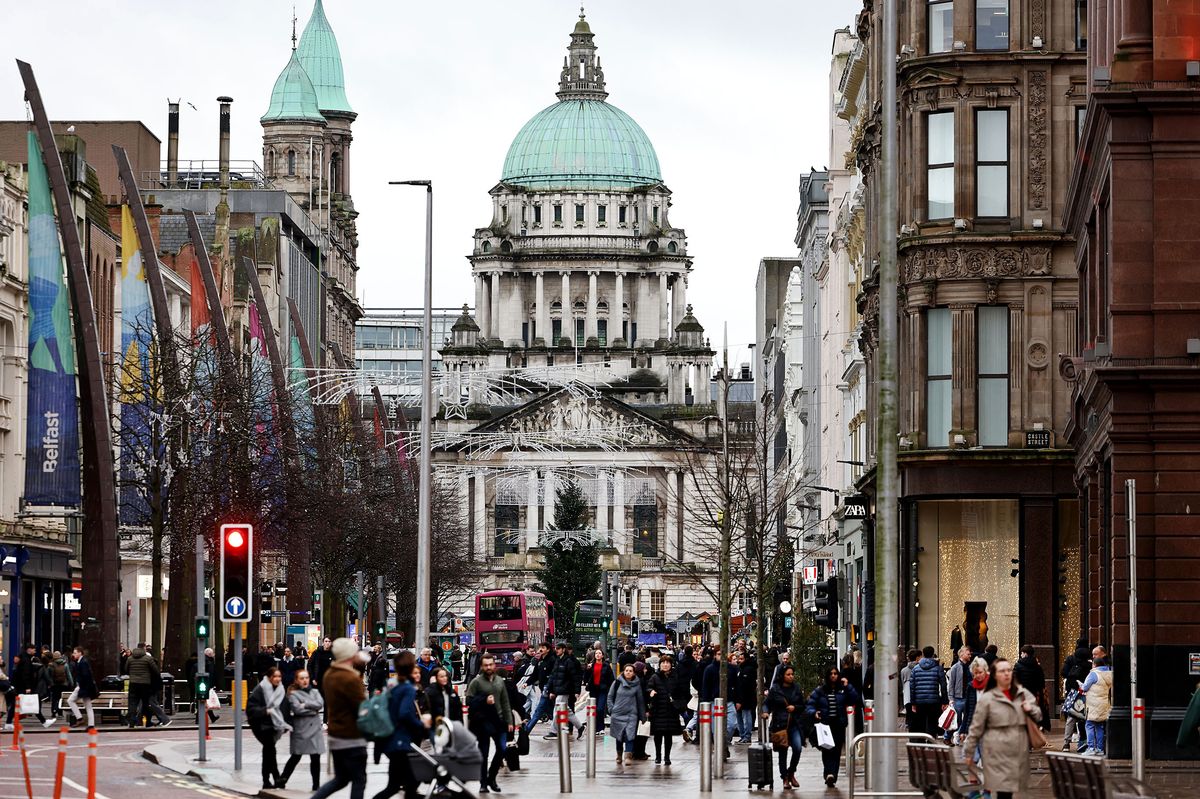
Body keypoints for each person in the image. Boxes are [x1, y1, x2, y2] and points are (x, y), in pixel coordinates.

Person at [961, 657, 1041, 799]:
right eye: (1002, 671)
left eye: (1009, 670)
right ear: (994, 675)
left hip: (1018, 753)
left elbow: (1039, 715)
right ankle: (983, 793)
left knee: (1012, 792)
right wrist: (968, 753)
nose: (1006, 674)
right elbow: (976, 728)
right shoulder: (988, 698)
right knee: (1003, 792)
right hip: (996, 753)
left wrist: (1030, 710)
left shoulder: (1021, 693)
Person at [311, 638, 369, 799]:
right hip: (352, 736)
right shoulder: (350, 679)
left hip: (336, 735)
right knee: (359, 779)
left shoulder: (330, 674)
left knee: (341, 779)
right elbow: (362, 708)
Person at [372, 651, 426, 799]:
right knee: (409, 781)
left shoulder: (394, 686)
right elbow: (404, 713)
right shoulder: (408, 688)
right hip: (400, 742)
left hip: (391, 741)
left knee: (401, 785)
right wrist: (420, 725)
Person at [807, 666, 861, 787]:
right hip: (825, 725)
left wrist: (848, 686)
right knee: (827, 749)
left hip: (839, 724)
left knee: (836, 751)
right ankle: (828, 773)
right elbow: (810, 705)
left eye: (835, 673)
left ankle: (833, 775)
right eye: (831, 673)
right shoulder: (820, 690)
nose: (833, 676)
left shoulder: (843, 689)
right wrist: (814, 712)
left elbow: (855, 698)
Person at [466, 653, 511, 794]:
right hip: (483, 722)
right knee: (483, 754)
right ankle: (483, 783)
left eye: (491, 664)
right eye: (485, 665)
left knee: (502, 749)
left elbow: (505, 702)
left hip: (498, 721)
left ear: (494, 665)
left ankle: (492, 778)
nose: (488, 667)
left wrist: (509, 721)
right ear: (482, 666)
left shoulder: (499, 681)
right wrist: (484, 700)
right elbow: (469, 702)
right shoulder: (476, 682)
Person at [278, 670, 325, 791]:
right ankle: (283, 779)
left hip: (314, 729)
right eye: (302, 678)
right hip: (301, 729)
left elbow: (320, 704)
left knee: (315, 758)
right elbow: (297, 709)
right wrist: (312, 709)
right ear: (296, 680)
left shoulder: (315, 691)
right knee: (296, 756)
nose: (305, 680)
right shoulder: (293, 694)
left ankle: (316, 785)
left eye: (307, 678)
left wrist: (305, 704)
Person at [246, 667, 291, 788]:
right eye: (275, 676)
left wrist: (286, 723)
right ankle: (275, 777)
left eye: (279, 676)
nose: (277, 679)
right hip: (262, 725)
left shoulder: (281, 689)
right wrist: (265, 711)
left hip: (275, 725)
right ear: (269, 677)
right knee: (270, 751)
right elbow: (250, 708)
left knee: (268, 752)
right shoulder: (260, 689)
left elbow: (285, 707)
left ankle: (267, 780)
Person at [765, 665, 805, 789]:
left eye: (792, 674)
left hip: (794, 724)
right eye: (788, 674)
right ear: (782, 675)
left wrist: (795, 708)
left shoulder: (796, 688)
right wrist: (765, 711)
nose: (791, 676)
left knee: (797, 748)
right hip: (780, 725)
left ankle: (791, 771)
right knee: (783, 752)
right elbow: (767, 703)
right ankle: (785, 778)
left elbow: (802, 705)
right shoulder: (775, 689)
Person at [607, 663, 646, 766]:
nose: (628, 672)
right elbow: (610, 697)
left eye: (630, 671)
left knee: (630, 735)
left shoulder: (637, 685)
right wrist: (611, 709)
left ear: (633, 673)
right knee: (619, 736)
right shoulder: (617, 683)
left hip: (631, 715)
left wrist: (643, 716)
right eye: (626, 670)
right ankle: (619, 755)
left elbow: (640, 701)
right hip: (617, 714)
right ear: (623, 672)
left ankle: (628, 756)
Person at [647, 655, 682, 765]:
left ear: (671, 665)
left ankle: (667, 757)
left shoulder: (675, 677)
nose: (665, 665)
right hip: (658, 709)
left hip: (671, 710)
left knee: (668, 735)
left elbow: (680, 691)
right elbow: (648, 687)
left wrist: (678, 703)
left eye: (667, 663)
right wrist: (651, 691)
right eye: (663, 663)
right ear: (660, 664)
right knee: (658, 735)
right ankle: (658, 756)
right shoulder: (655, 677)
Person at [1079, 646, 1113, 757]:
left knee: (1089, 725)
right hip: (1104, 704)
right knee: (1099, 727)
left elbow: (1084, 687)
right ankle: (1099, 749)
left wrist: (1080, 684)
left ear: (1094, 665)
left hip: (1093, 705)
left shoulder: (1093, 674)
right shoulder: (1108, 673)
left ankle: (1091, 748)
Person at [127, 643, 171, 728]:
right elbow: (156, 671)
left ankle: (132, 722)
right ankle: (147, 722)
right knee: (146, 703)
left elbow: (126, 669)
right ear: (144, 648)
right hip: (145, 684)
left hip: (133, 683)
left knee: (133, 704)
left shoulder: (130, 659)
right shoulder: (148, 659)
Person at [908, 646, 947, 738]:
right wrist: (945, 701)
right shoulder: (938, 668)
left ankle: (921, 742)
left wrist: (913, 702)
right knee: (932, 722)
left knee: (920, 722)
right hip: (933, 700)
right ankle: (931, 742)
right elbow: (943, 686)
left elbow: (912, 687)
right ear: (933, 654)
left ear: (923, 654)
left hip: (919, 701)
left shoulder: (915, 669)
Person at [1060, 638, 1091, 752]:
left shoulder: (1071, 658)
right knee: (1087, 717)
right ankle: (1085, 741)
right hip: (1088, 691)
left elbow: (1063, 673)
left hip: (1073, 691)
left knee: (1071, 717)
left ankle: (1066, 744)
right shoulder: (1090, 658)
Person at [957, 657, 990, 760]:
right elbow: (968, 710)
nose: (978, 676)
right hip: (975, 726)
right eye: (975, 673)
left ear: (985, 670)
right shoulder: (971, 686)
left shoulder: (993, 685)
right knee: (972, 759)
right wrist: (963, 730)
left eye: (980, 672)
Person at [1014, 645, 1051, 734]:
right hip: (1035, 694)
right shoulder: (1037, 666)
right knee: (1033, 713)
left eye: (1022, 653)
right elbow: (1041, 681)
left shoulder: (1018, 665)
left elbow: (1014, 680)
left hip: (1022, 694)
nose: (1021, 655)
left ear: (1025, 654)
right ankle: (1034, 731)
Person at [66, 647, 98, 729]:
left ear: (80, 653)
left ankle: (81, 719)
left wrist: (81, 686)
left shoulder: (82, 662)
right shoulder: (81, 661)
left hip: (83, 687)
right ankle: (89, 724)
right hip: (83, 687)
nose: (74, 654)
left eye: (75, 652)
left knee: (71, 700)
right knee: (88, 706)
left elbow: (86, 676)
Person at [584, 649, 615, 736]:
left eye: (599, 653)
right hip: (593, 690)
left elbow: (611, 679)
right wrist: (587, 669)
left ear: (602, 656)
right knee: (594, 709)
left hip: (603, 690)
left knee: (600, 709)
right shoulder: (591, 665)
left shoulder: (606, 666)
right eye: (596, 653)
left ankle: (601, 728)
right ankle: (595, 728)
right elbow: (585, 678)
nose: (598, 655)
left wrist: (610, 689)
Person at [946, 646, 972, 744]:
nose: (970, 655)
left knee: (967, 719)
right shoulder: (955, 667)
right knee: (955, 719)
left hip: (967, 697)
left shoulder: (970, 667)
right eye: (968, 653)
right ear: (961, 654)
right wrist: (951, 698)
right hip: (957, 698)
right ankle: (947, 736)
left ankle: (959, 735)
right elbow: (951, 684)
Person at [45, 650, 74, 724]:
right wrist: (71, 683)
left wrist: (50, 683)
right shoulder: (65, 664)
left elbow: (48, 676)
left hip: (54, 685)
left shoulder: (50, 665)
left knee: (54, 698)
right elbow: (68, 675)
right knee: (61, 699)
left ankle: (54, 711)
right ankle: (60, 713)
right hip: (63, 684)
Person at [899, 648, 920, 731]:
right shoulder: (919, 668)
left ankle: (911, 735)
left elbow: (902, 682)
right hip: (918, 695)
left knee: (910, 715)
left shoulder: (903, 670)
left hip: (907, 696)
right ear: (917, 658)